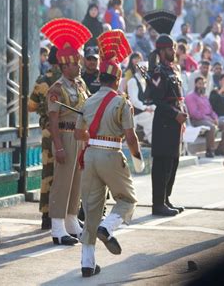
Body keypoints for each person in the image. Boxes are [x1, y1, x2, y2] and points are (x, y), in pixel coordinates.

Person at [75, 30, 141, 277]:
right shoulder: (123, 102)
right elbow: (131, 137)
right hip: (112, 154)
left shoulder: (88, 101)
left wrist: (92, 135)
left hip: (90, 155)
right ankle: (108, 227)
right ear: (116, 80)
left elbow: (77, 135)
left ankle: (87, 263)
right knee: (127, 199)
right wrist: (138, 158)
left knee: (91, 209)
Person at [42, 19, 92, 245]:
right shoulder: (57, 89)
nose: (79, 66)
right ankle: (57, 227)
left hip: (80, 137)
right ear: (64, 67)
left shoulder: (80, 85)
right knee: (62, 182)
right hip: (64, 136)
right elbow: (53, 121)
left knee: (76, 182)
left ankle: (72, 221)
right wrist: (59, 146)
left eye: (79, 63)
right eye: (75, 64)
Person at [144, 9, 187, 217]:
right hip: (164, 123)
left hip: (176, 123)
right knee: (162, 164)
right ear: (162, 51)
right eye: (170, 47)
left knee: (173, 163)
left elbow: (179, 96)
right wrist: (175, 114)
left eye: (174, 46)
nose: (174, 50)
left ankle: (166, 199)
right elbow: (158, 100)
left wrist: (182, 115)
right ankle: (157, 203)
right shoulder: (159, 72)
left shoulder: (173, 70)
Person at [28, 46, 62, 230]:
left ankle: (46, 215)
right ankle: (64, 214)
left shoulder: (42, 81)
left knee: (48, 173)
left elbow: (31, 106)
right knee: (66, 175)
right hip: (67, 132)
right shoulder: (69, 81)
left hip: (48, 132)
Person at [187, 77, 224, 157]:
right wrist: (208, 119)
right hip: (197, 120)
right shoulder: (190, 96)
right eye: (200, 84)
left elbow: (211, 110)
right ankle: (210, 150)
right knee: (211, 127)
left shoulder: (204, 96)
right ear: (195, 84)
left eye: (203, 84)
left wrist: (215, 118)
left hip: (210, 119)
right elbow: (194, 113)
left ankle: (221, 149)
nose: (202, 86)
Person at [127, 60, 155, 144]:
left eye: (146, 69)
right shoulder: (132, 81)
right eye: (143, 68)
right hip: (135, 114)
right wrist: (145, 108)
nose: (144, 70)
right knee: (151, 117)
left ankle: (151, 141)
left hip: (145, 111)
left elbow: (152, 99)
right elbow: (134, 101)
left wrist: (152, 107)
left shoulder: (147, 80)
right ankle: (151, 141)